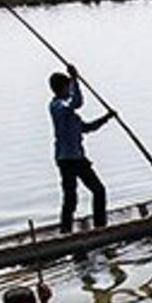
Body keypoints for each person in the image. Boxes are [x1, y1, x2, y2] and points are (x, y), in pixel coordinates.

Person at [49, 64, 116, 232]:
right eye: (68, 88)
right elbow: (77, 102)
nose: (71, 90)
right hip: (67, 160)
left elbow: (87, 128)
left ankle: (99, 227)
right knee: (71, 199)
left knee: (98, 190)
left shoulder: (70, 112)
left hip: (77, 157)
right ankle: (66, 233)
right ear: (61, 89)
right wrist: (75, 79)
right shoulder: (58, 106)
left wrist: (107, 118)